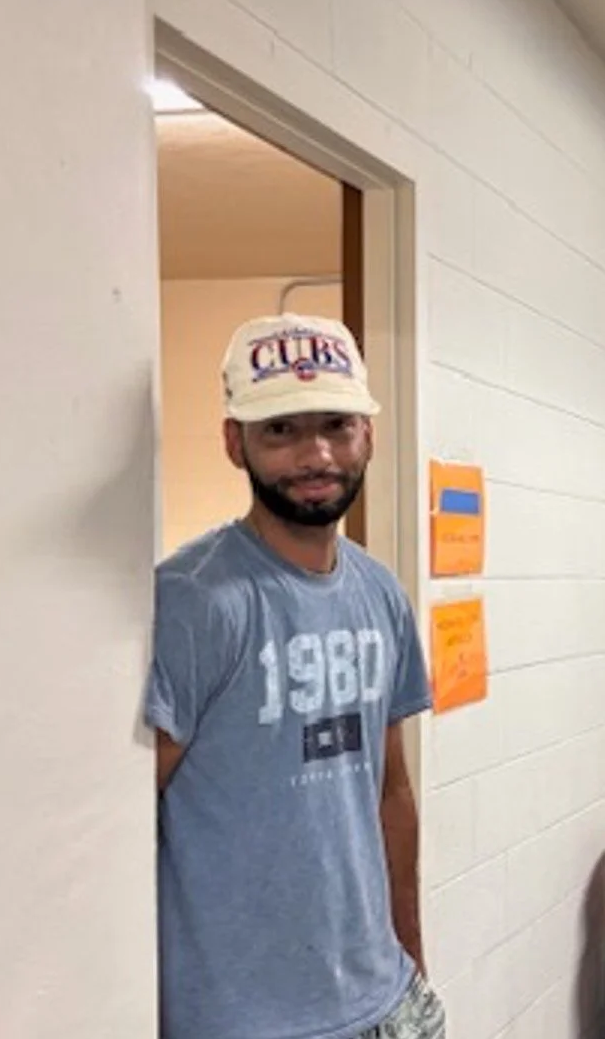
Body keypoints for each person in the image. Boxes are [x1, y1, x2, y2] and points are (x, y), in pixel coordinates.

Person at [148, 314, 446, 1039]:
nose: (315, 454)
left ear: (367, 435)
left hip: (388, 1004)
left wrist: (409, 955)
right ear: (234, 443)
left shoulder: (380, 593)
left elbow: (390, 790)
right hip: (244, 1021)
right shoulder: (191, 602)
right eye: (280, 430)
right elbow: (120, 824)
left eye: (336, 425)